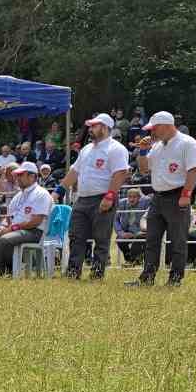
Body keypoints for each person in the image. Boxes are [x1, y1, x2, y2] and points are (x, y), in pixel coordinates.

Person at [130, 111, 196, 287]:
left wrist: (186, 194)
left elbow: (193, 170)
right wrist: (143, 151)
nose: (151, 132)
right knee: (151, 239)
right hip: (158, 197)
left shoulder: (187, 143)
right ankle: (147, 277)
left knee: (178, 240)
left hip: (177, 195)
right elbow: (144, 169)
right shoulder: (157, 146)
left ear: (165, 125)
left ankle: (175, 279)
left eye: (154, 128)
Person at [61, 113, 131, 280]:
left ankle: (97, 273)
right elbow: (74, 171)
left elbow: (120, 173)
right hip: (82, 198)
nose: (90, 129)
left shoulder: (116, 148)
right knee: (76, 236)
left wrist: (110, 196)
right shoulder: (86, 149)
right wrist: (60, 189)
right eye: (90, 126)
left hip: (103, 197)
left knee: (101, 238)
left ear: (105, 127)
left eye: (94, 126)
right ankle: (73, 272)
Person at [0, 162, 51, 275]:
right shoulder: (19, 195)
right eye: (17, 175)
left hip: (34, 231)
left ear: (32, 176)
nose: (17, 178)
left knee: (5, 239)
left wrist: (11, 228)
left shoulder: (41, 194)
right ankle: (10, 265)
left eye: (21, 175)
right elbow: (8, 217)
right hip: (15, 229)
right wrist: (2, 226)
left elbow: (36, 221)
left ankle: (0, 271)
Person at [114, 187, 149, 265]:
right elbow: (115, 220)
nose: (131, 199)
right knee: (120, 239)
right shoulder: (122, 203)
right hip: (127, 231)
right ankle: (130, 260)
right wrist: (121, 232)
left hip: (140, 231)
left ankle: (132, 261)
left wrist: (136, 233)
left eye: (134, 197)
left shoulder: (146, 202)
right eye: (129, 197)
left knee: (139, 237)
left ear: (139, 198)